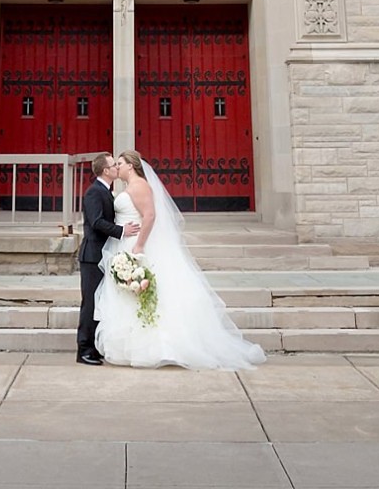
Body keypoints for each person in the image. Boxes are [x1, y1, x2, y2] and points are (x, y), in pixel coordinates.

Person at [94, 150, 266, 369]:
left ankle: (157, 347)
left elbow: (150, 215)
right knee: (132, 295)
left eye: (120, 163)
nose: (117, 167)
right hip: (124, 242)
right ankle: (130, 346)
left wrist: (139, 245)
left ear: (131, 165)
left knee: (145, 292)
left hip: (135, 243)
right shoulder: (128, 187)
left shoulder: (139, 186)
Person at [76, 152, 137, 365]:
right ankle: (83, 349)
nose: (116, 168)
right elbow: (96, 222)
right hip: (92, 256)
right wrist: (121, 231)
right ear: (105, 170)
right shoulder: (94, 192)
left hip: (104, 255)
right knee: (90, 303)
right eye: (113, 165)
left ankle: (93, 346)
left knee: (100, 302)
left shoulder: (106, 191)